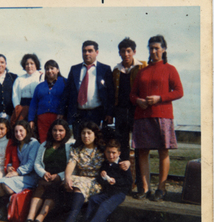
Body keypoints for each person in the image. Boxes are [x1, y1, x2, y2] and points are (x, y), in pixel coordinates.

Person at [129, 35, 183, 201]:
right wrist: (138, 100)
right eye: (151, 48)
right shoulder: (142, 71)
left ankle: (161, 188)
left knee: (163, 151)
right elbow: (132, 94)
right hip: (142, 116)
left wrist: (160, 98)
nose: (153, 51)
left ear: (163, 49)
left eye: (156, 48)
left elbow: (179, 92)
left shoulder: (170, 69)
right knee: (143, 152)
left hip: (162, 115)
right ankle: (145, 188)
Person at [57, 40, 114, 138]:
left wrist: (109, 113)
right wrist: (61, 111)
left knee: (97, 141)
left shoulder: (105, 69)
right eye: (84, 51)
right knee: (79, 141)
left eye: (90, 51)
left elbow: (111, 93)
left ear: (97, 52)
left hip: (97, 113)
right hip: (78, 114)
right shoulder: (74, 69)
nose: (87, 53)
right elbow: (67, 92)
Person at [112, 38, 147, 193]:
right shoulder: (116, 70)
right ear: (119, 52)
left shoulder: (142, 67)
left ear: (134, 51)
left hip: (137, 112)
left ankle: (141, 185)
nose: (125, 54)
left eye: (128, 51)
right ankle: (126, 184)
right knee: (122, 148)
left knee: (139, 148)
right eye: (122, 51)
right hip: (120, 112)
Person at [25, 119, 74, 222]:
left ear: (66, 131)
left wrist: (59, 176)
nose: (57, 133)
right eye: (55, 130)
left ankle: (40, 218)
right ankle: (30, 217)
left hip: (60, 177)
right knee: (41, 185)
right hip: (46, 176)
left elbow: (73, 165)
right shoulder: (45, 145)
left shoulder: (70, 145)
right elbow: (37, 163)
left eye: (61, 130)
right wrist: (43, 173)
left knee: (53, 187)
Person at [0, 120, 40, 218]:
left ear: (27, 131)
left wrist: (17, 172)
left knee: (6, 184)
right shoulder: (17, 144)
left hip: (30, 175)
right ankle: (7, 205)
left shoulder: (33, 143)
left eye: (21, 131)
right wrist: (10, 167)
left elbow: (31, 164)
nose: (18, 134)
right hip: (19, 174)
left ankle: (12, 206)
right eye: (16, 131)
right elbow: (12, 159)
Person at [63, 121, 105, 222]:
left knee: (78, 187)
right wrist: (67, 177)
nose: (86, 136)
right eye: (83, 133)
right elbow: (71, 164)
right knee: (69, 182)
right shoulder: (77, 149)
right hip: (80, 178)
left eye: (89, 133)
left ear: (95, 135)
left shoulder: (101, 150)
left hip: (95, 181)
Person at [84, 139, 132, 222]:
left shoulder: (123, 165)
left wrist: (116, 181)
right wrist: (103, 176)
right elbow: (100, 179)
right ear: (105, 152)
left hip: (119, 193)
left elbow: (128, 182)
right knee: (93, 199)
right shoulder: (105, 163)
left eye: (113, 153)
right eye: (108, 152)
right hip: (107, 192)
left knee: (105, 206)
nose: (111, 155)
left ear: (119, 153)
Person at [28, 60, 67, 143]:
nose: (49, 71)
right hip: (42, 120)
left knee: (58, 141)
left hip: (58, 118)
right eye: (47, 69)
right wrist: (30, 120)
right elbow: (33, 103)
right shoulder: (40, 86)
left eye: (52, 68)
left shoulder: (65, 82)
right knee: (44, 141)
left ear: (58, 70)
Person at [11, 54, 43, 126]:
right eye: (27, 64)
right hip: (22, 106)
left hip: (36, 106)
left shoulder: (41, 76)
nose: (29, 66)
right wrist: (17, 108)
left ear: (36, 64)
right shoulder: (19, 79)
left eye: (32, 63)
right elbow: (15, 94)